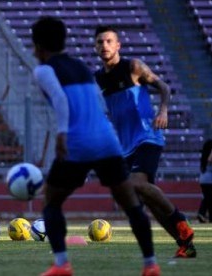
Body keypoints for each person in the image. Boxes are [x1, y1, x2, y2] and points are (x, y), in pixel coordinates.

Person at [31, 17, 160, 276]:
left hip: (77, 142)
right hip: (106, 141)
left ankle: (62, 264)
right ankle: (150, 264)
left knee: (52, 203)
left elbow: (60, 101)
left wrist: (62, 133)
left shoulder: (44, 70)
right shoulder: (81, 66)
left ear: (39, 45)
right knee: (131, 204)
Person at [94, 25, 196, 258]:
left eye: (109, 41)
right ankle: (185, 245)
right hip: (125, 146)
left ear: (118, 45)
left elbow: (164, 86)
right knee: (147, 197)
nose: (104, 46)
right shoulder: (98, 78)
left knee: (137, 185)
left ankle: (181, 221)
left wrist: (163, 110)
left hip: (147, 136)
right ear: (95, 47)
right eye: (100, 42)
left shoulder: (133, 67)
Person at [198, 139, 212, 222]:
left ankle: (201, 214)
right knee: (209, 199)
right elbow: (210, 159)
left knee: (207, 198)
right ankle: (202, 214)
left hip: (203, 180)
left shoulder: (204, 155)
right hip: (209, 180)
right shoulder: (209, 157)